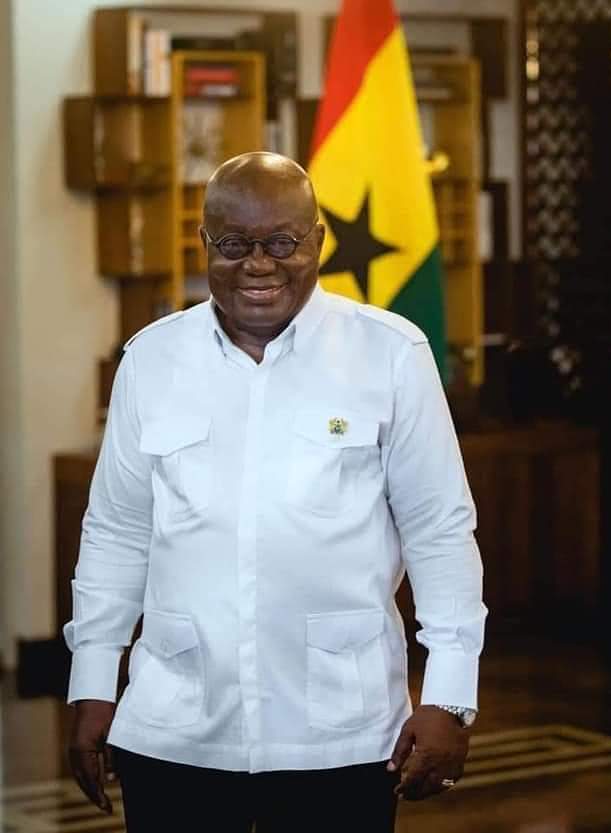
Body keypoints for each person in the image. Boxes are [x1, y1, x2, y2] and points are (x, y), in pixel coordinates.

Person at [64, 152, 487, 833]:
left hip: (343, 736)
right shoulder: (151, 359)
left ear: (318, 240)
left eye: (282, 243)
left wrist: (450, 695)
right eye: (233, 244)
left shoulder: (391, 354)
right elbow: (117, 531)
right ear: (205, 243)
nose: (258, 265)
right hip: (176, 730)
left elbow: (438, 531)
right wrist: (91, 678)